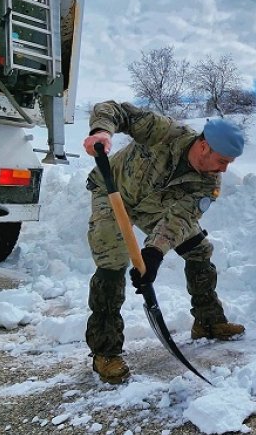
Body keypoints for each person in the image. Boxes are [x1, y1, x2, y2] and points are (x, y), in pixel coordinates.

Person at [81, 101, 246, 384]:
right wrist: (102, 132)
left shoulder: (208, 183)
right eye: (222, 161)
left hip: (153, 206)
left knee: (199, 249)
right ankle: (105, 352)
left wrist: (153, 252)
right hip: (112, 191)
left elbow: (179, 220)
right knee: (112, 260)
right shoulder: (164, 131)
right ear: (204, 146)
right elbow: (114, 110)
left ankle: (207, 321)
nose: (225, 169)